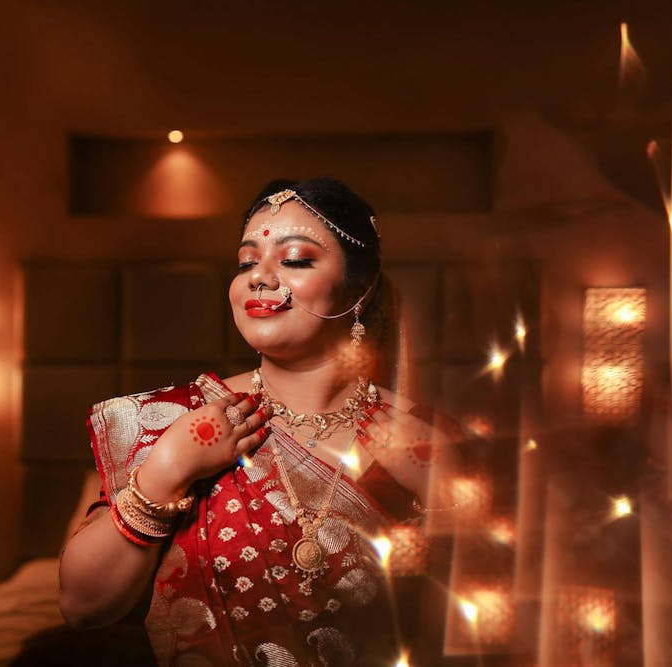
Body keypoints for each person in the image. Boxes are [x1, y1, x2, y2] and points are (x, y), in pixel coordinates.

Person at [59, 177, 453, 666]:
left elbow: (489, 630)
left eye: (294, 259)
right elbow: (81, 606)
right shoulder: (176, 420)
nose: (259, 278)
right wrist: (165, 473)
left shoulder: (426, 443)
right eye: (247, 262)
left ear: (359, 288)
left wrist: (445, 504)